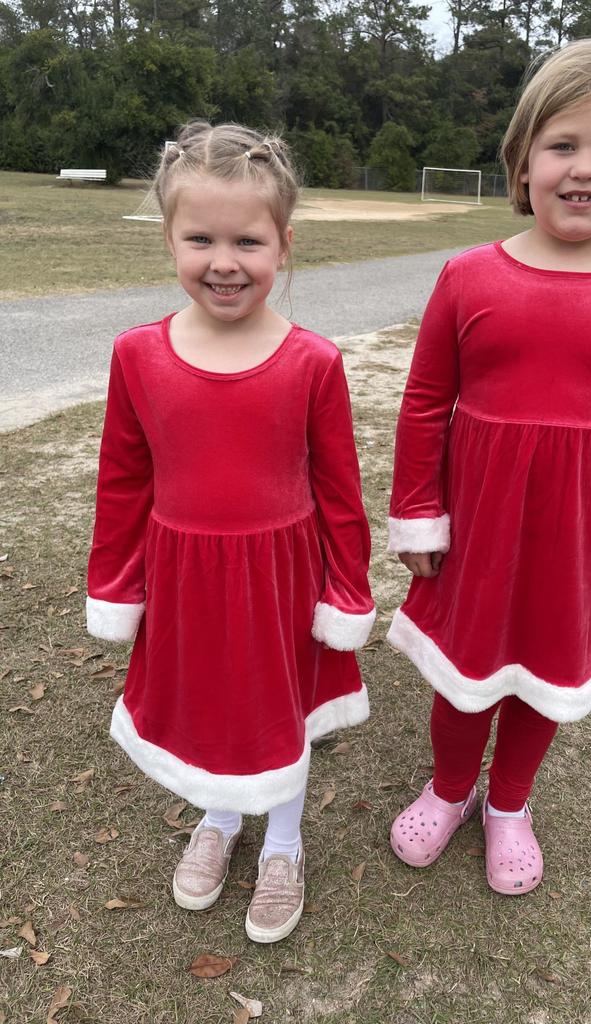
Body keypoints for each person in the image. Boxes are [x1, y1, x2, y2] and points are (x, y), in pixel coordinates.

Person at [386, 38, 591, 895]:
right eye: (563, 144)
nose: (584, 168)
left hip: (583, 536)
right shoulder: (466, 275)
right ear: (522, 159)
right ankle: (450, 789)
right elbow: (422, 402)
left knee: (544, 674)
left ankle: (509, 804)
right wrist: (419, 510)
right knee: (466, 668)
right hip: (479, 524)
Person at [86, 121, 375, 942]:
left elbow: (340, 491)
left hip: (281, 577)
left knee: (274, 709)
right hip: (183, 573)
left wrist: (346, 591)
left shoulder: (312, 361)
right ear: (169, 239)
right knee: (214, 701)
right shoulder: (137, 355)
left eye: (247, 240)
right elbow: (123, 480)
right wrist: (116, 586)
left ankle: (282, 842)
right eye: (200, 237)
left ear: (283, 245)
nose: (224, 260)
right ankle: (219, 818)